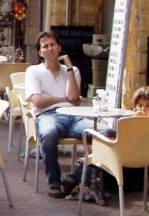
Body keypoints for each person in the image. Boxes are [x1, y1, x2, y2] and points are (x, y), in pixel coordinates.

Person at [25, 30, 100, 198]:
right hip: (48, 116)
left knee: (107, 134)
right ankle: (55, 183)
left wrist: (69, 67)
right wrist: (62, 99)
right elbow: (37, 101)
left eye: (53, 45)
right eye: (45, 46)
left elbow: (74, 98)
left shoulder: (72, 71)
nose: (50, 49)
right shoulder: (33, 71)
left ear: (59, 48)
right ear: (40, 52)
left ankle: (76, 177)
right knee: (49, 134)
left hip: (74, 117)